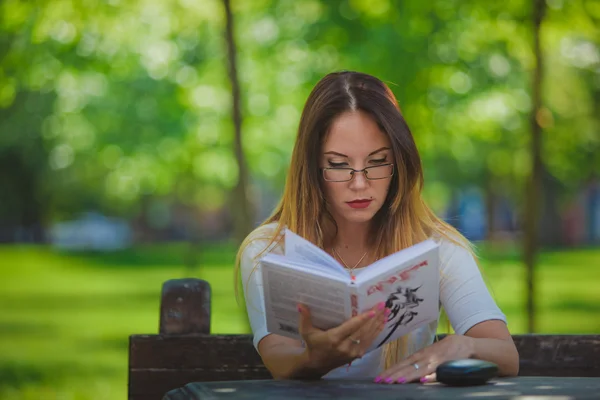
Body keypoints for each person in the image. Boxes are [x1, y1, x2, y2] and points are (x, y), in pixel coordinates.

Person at [234, 71, 519, 384]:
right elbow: (278, 357)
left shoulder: (438, 248)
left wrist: (460, 345)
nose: (360, 184)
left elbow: (506, 354)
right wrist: (312, 359)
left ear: (399, 162)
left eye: (377, 161)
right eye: (339, 164)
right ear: (313, 167)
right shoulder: (269, 249)